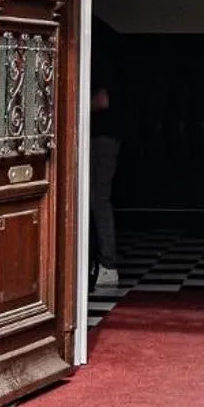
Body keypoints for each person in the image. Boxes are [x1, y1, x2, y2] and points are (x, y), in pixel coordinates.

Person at [89, 84, 122, 288]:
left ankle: (107, 264)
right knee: (94, 200)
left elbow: (102, 100)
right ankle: (97, 262)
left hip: (102, 138)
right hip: (102, 137)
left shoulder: (104, 70)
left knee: (98, 200)